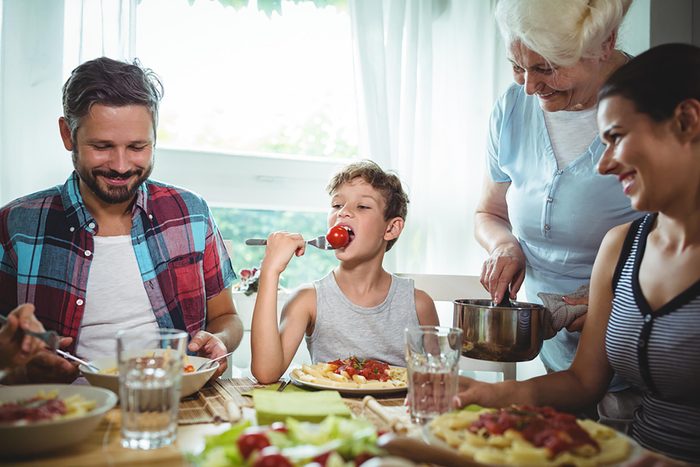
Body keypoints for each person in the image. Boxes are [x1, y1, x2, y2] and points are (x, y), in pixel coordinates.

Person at [456, 43, 700, 464]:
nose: (603, 165)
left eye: (617, 139)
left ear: (687, 120)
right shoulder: (622, 246)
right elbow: (584, 383)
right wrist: (488, 395)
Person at [0, 57, 242, 382]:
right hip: (65, 408)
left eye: (137, 147)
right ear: (67, 134)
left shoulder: (191, 213)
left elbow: (226, 317)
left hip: (177, 404)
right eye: (102, 146)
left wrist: (220, 340)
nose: (120, 165)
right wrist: (12, 353)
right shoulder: (17, 223)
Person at [474, 0, 641, 417]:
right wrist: (505, 246)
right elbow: (489, 212)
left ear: (605, 43)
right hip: (562, 365)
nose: (529, 86)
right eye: (517, 65)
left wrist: (602, 302)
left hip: (646, 354)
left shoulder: (650, 109)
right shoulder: (511, 109)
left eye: (546, 68)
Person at [250, 160, 439, 384]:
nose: (343, 213)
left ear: (390, 228)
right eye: (337, 205)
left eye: (362, 207)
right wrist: (270, 270)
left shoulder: (418, 305)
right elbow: (265, 373)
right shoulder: (308, 300)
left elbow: (437, 381)